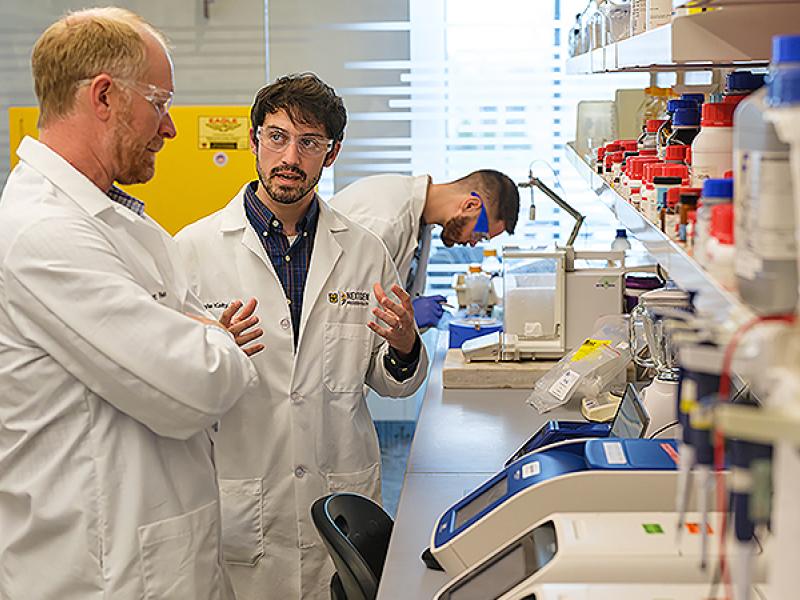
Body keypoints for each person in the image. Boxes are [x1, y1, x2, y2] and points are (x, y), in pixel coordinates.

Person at [0, 8, 263, 600]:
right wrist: (215, 340)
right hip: (100, 572)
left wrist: (200, 335)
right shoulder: (44, 233)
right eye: (159, 103)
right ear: (103, 96)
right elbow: (195, 383)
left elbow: (195, 345)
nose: (169, 128)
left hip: (156, 552)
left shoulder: (116, 223)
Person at [175, 73, 429, 600]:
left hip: (337, 504)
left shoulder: (364, 251)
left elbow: (389, 380)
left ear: (330, 153)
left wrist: (404, 344)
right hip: (243, 509)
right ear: (254, 141)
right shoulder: (192, 251)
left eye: (309, 142)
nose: (290, 157)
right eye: (277, 137)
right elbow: (169, 389)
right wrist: (211, 353)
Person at [329, 170, 520, 328]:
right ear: (470, 205)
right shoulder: (386, 220)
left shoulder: (420, 220)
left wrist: (408, 311)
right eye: (480, 235)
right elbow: (342, 306)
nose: (473, 243)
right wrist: (405, 317)